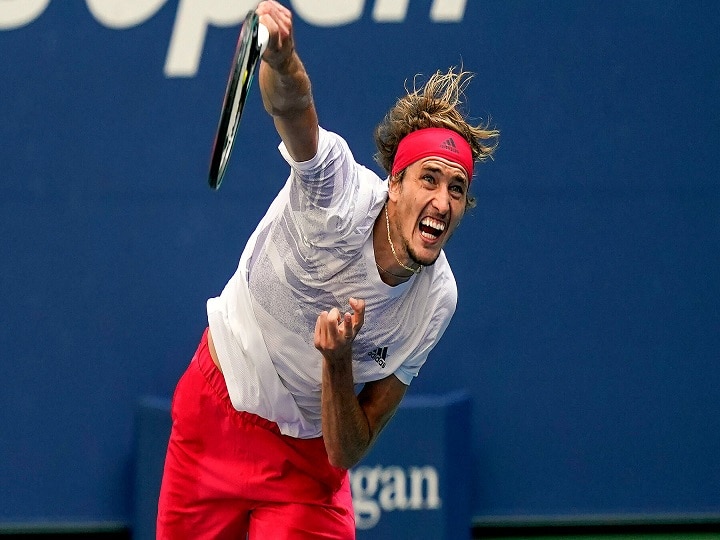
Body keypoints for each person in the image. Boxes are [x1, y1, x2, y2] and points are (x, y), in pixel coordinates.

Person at [157, 1, 499, 538]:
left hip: (307, 465)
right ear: (394, 183)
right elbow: (294, 108)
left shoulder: (437, 299)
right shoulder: (336, 189)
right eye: (429, 179)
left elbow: (347, 450)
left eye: (457, 188)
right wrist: (282, 56)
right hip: (215, 414)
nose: (443, 199)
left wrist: (337, 364)